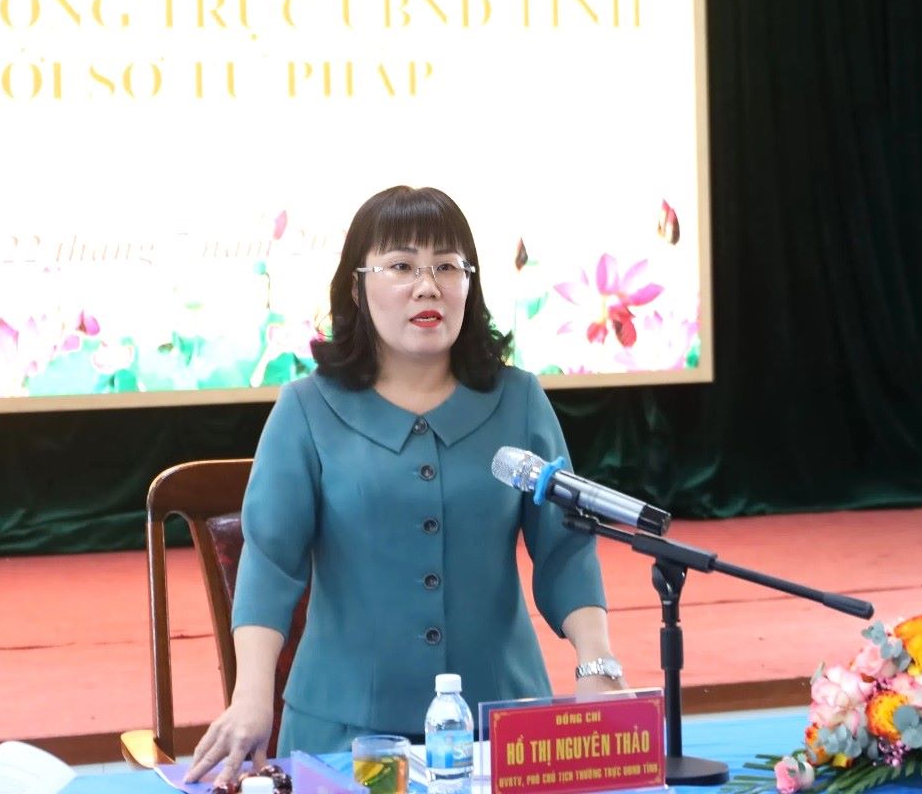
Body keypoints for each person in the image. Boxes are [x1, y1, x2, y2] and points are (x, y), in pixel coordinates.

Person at [186, 185, 626, 786]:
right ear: (356, 288)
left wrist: (597, 664)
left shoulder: (518, 400)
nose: (427, 286)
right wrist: (251, 698)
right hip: (342, 735)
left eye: (447, 266)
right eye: (401, 266)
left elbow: (564, 547)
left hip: (499, 727)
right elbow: (271, 563)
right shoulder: (306, 409)